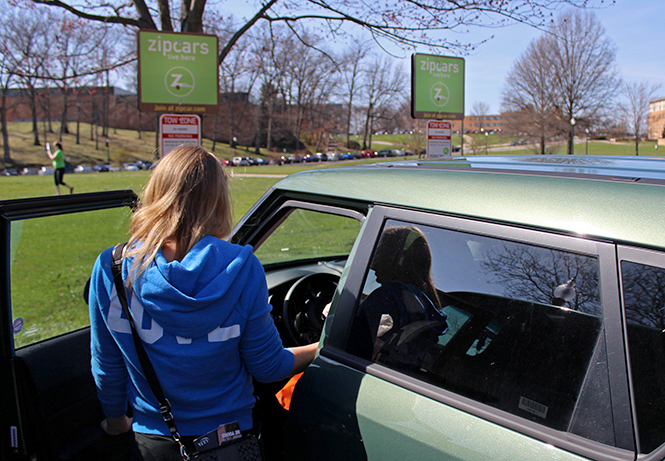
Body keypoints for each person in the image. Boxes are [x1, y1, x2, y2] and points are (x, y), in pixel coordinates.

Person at [88, 145, 318, 460]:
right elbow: (268, 367)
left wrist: (116, 422)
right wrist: (324, 345)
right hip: (232, 439)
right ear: (218, 200)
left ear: (156, 191)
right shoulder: (241, 266)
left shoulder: (113, 268)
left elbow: (108, 366)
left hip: (154, 440)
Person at [348, 226, 447, 364]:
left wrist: (336, 316)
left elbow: (350, 346)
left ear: (399, 259)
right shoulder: (423, 303)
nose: (373, 265)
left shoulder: (387, 297)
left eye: (380, 254)